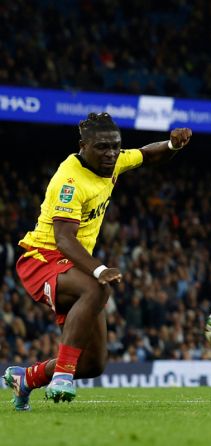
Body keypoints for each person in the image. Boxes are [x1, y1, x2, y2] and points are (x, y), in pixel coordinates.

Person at [4, 112, 192, 410]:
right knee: (97, 288)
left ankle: (26, 378)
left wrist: (172, 145)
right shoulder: (69, 181)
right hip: (43, 258)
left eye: (115, 146)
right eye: (102, 147)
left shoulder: (114, 160)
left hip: (73, 265)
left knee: (93, 364)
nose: (111, 154)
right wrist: (99, 269)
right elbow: (64, 239)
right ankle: (62, 374)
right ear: (83, 146)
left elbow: (145, 155)